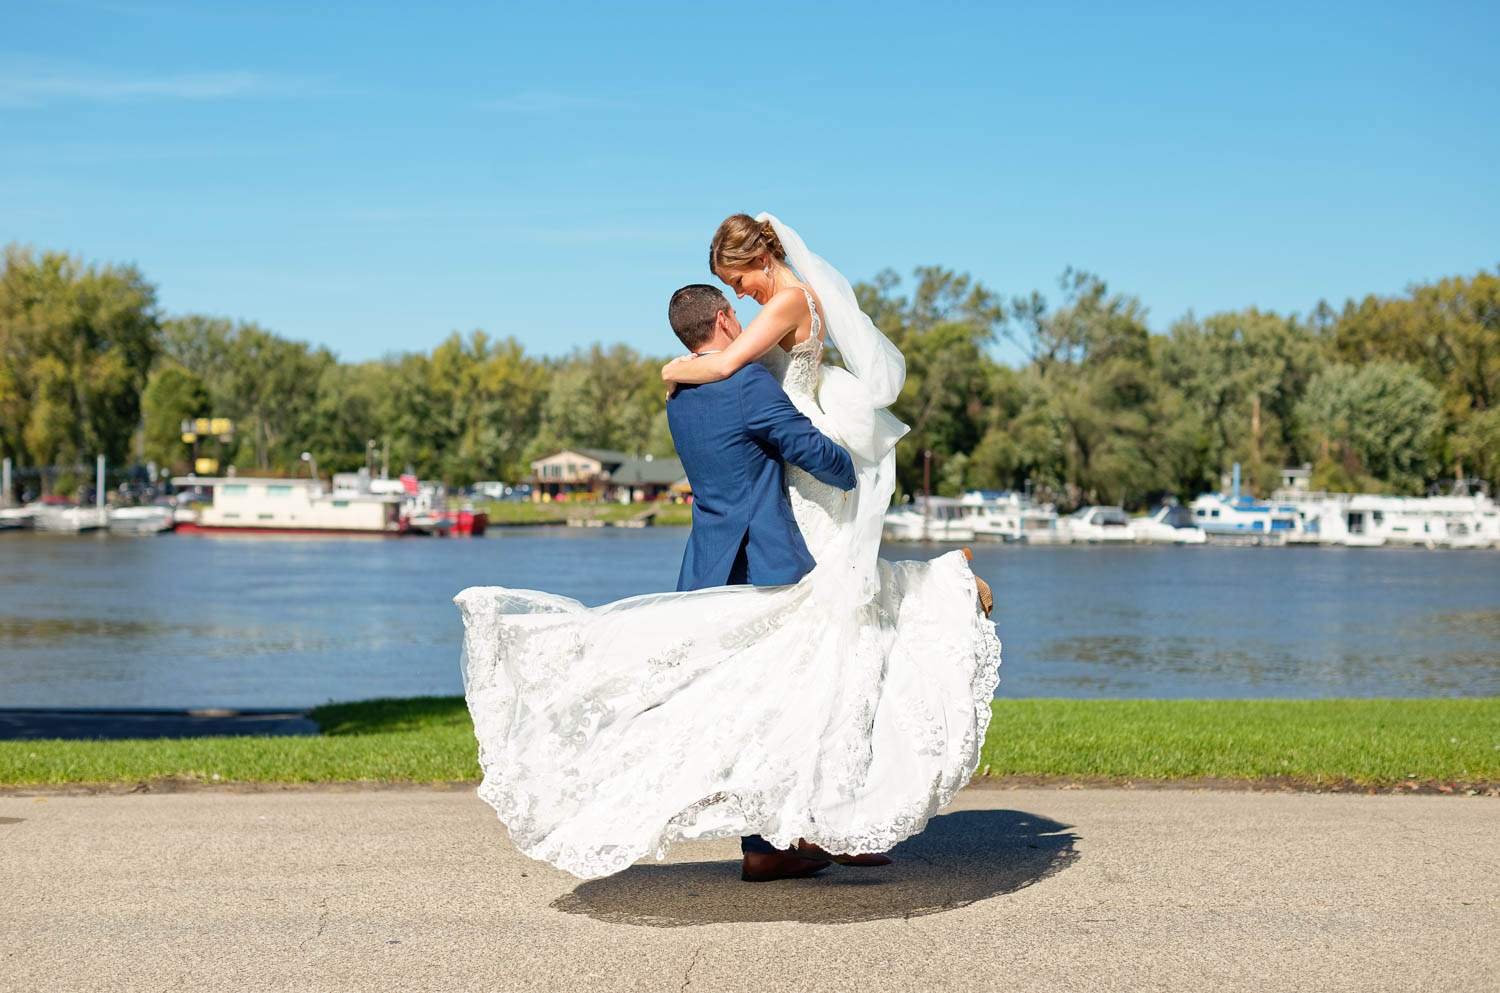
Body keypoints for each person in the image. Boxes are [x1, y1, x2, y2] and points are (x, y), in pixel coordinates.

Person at [454, 213, 1001, 883]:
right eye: (731, 294)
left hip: (717, 556)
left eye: (740, 281)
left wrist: (678, 364)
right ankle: (946, 589)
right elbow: (795, 433)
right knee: (829, 650)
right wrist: (852, 471)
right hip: (780, 533)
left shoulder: (684, 397)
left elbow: (728, 385)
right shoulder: (744, 381)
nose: (741, 300)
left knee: (783, 672)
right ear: (721, 319)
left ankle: (789, 836)